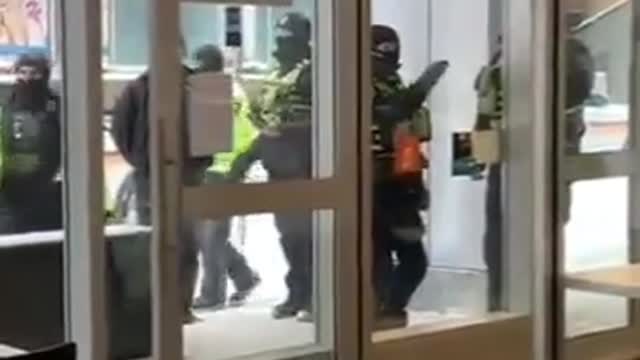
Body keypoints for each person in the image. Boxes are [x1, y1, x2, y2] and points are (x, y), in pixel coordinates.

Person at [475, 35, 594, 311]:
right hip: (510, 161)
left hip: (545, 159)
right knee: (502, 234)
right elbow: (484, 114)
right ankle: (504, 300)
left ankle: (535, 301)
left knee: (539, 232)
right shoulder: (503, 62)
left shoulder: (565, 52)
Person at [110, 38, 207, 323]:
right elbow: (121, 129)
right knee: (153, 240)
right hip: (149, 177)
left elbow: (211, 127)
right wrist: (140, 161)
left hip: (189, 174)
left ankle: (182, 307)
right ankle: (155, 308)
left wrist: (200, 161)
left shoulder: (196, 85)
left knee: (187, 243)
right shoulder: (137, 88)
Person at [228, 12, 314, 322]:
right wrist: (246, 159)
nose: (281, 45)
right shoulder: (276, 73)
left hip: (306, 168)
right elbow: (266, 124)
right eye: (278, 39)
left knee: (310, 237)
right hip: (279, 168)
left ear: (304, 41)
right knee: (290, 238)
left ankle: (315, 296)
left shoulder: (314, 73)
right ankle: (298, 293)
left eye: (287, 40)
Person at [369, 24, 448, 329]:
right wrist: (415, 94)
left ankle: (389, 313)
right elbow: (387, 116)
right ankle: (381, 317)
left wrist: (416, 185)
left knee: (412, 261)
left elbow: (407, 138)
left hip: (399, 183)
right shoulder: (360, 84)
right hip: (375, 184)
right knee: (383, 261)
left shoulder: (391, 83)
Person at [189, 44, 261, 309]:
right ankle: (244, 277)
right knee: (210, 235)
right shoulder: (231, 88)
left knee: (209, 237)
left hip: (220, 171)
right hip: (224, 169)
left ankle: (213, 295)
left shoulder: (214, 92)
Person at [0, 53, 62, 234]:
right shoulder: (6, 105)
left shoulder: (56, 107)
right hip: (9, 194)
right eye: (22, 72)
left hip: (45, 192)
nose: (27, 78)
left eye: (34, 73)